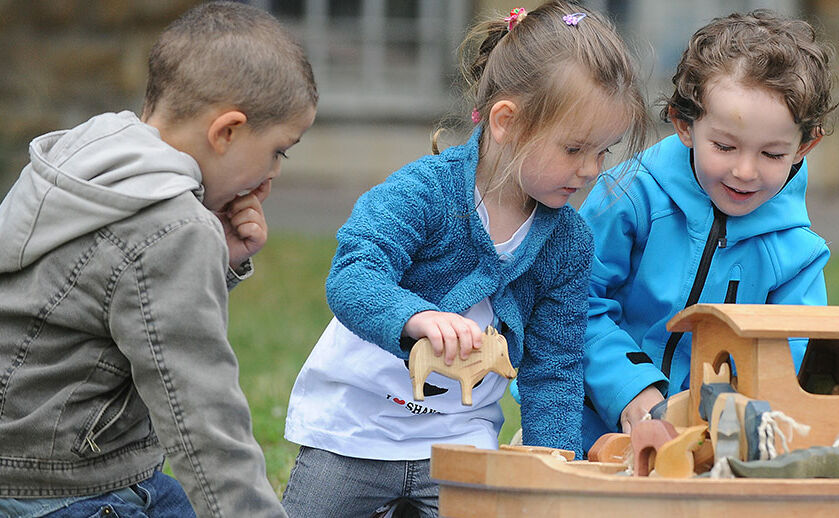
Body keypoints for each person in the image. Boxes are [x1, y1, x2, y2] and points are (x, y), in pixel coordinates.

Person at [280, 2, 648, 516]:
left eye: (603, 152)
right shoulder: (423, 192)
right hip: (356, 427)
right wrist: (414, 317)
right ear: (506, 123)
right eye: (574, 149)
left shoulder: (569, 242)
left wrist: (552, 467)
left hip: (461, 439)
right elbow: (352, 275)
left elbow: (554, 367)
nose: (590, 170)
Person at [0, 3, 317, 517]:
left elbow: (111, 300)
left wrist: (217, 258)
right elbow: (200, 412)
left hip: (24, 465)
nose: (273, 173)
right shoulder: (169, 227)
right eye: (281, 149)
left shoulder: (94, 160)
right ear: (227, 132)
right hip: (75, 488)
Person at [577, 9, 835, 449]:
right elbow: (572, 301)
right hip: (589, 427)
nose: (746, 171)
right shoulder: (627, 198)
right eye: (725, 146)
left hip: (718, 447)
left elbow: (792, 357)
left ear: (803, 147)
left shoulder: (797, 252)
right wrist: (630, 388)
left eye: (772, 154)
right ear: (684, 124)